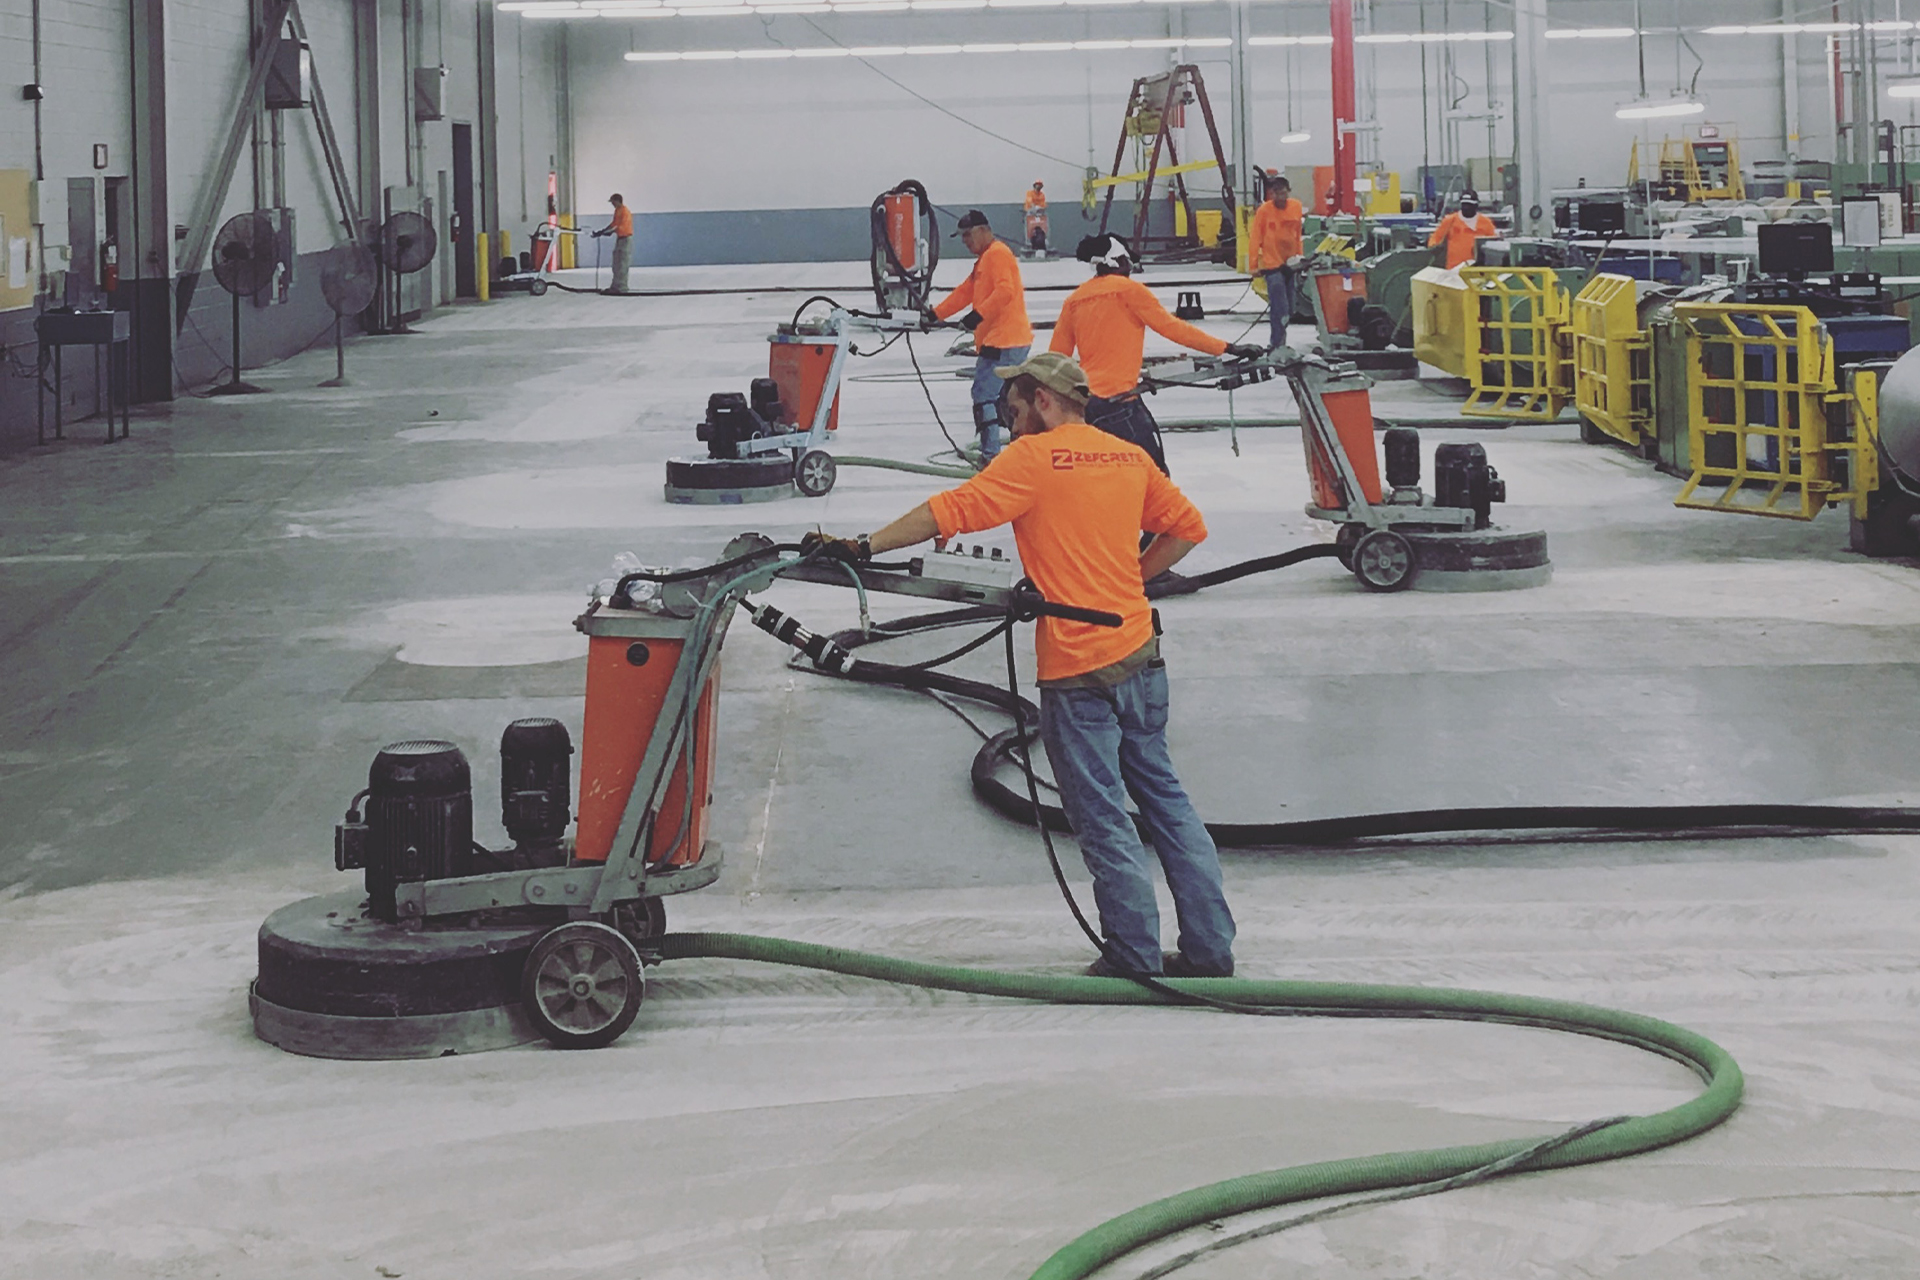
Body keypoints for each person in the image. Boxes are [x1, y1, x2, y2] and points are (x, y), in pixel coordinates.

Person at [802, 352, 1236, 979]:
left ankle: (1134, 957)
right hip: (1141, 655)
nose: (1009, 425)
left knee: (1103, 816)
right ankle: (1210, 949)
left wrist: (862, 546)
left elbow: (943, 512)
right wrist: (1129, 584)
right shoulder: (1126, 455)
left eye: (1015, 410)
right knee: (1167, 802)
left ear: (1044, 401)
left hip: (1078, 670)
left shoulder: (1034, 459)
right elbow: (1188, 528)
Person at [1050, 233, 1264, 474]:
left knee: (1104, 475)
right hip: (1121, 402)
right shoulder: (1129, 290)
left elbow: (1056, 358)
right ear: (1116, 261)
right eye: (1127, 262)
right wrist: (1228, 348)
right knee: (1155, 477)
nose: (1130, 268)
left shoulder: (1074, 300)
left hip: (1088, 404)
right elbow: (1173, 328)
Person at [932, 209, 1033, 463]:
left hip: (1003, 341)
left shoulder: (997, 254)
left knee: (984, 396)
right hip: (1007, 340)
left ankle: (990, 457)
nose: (965, 241)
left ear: (984, 231)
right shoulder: (985, 259)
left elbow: (1005, 291)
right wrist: (935, 315)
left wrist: (976, 317)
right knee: (1006, 399)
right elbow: (965, 291)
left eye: (968, 235)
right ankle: (1020, 453)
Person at [1248, 174, 1306, 349]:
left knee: (1289, 308)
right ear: (1271, 194)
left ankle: (1281, 342)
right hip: (1272, 265)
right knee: (1279, 307)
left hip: (1291, 264)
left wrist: (1300, 259)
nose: (1279, 197)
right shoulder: (1264, 211)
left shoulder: (1296, 207)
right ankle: (1277, 344)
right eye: (1276, 193)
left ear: (1288, 191)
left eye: (1283, 192)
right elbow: (1255, 237)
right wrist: (1253, 266)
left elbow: (1297, 235)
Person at [1429, 192, 1496, 270]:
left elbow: (1493, 245)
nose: (1466, 208)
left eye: (1469, 205)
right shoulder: (1450, 220)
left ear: (1476, 205)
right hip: (1453, 269)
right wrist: (1433, 247)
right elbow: (1435, 239)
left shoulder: (1486, 223)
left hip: (1477, 270)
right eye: (1464, 205)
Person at [591, 193, 634, 294]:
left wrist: (607, 232)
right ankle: (615, 286)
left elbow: (618, 226)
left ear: (618, 201)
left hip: (626, 239)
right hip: (620, 239)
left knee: (622, 264)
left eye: (613, 202)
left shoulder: (625, 211)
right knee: (616, 264)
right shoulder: (617, 211)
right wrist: (602, 231)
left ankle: (622, 287)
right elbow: (613, 224)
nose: (612, 204)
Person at [1024, 181, 1049, 255]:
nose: (1039, 187)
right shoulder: (1030, 193)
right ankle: (1029, 243)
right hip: (1030, 213)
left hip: (1040, 213)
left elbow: (1043, 203)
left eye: (1040, 186)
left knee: (1043, 226)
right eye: (1037, 185)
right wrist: (1033, 207)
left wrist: (1040, 207)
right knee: (1029, 228)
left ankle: (1043, 243)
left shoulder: (1042, 195)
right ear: (1034, 186)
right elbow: (1029, 201)